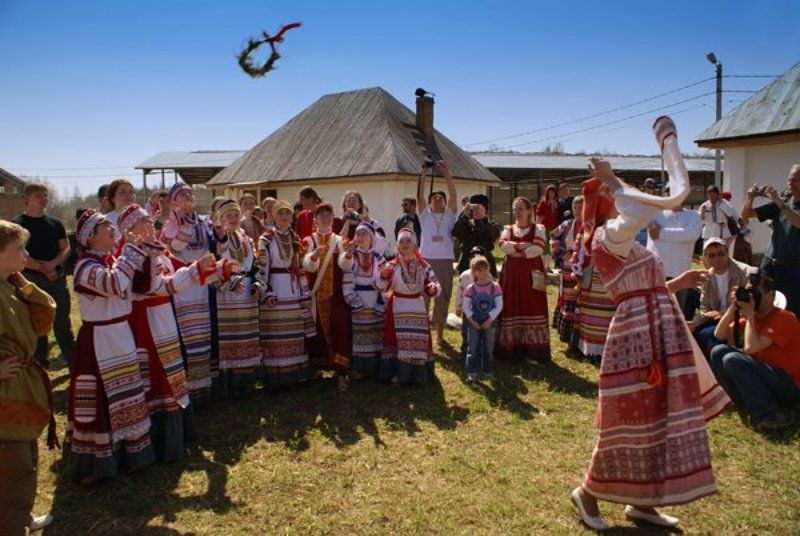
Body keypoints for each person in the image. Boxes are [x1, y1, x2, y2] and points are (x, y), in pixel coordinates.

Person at [571, 142, 725, 531]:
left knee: (658, 417)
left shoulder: (622, 238)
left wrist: (679, 282)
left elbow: (645, 286)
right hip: (636, 338)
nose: (619, 196)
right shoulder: (608, 237)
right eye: (611, 194)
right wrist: (609, 177)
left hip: (659, 328)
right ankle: (586, 493)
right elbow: (639, 211)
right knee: (630, 419)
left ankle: (643, 504)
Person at [119, 205, 223, 461]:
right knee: (156, 374)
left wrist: (212, 271)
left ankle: (175, 431)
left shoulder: (157, 252)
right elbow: (157, 287)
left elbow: (177, 273)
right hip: (146, 321)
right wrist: (195, 271)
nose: (150, 226)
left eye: (150, 222)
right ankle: (156, 439)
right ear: (130, 230)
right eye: (143, 223)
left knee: (170, 370)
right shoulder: (131, 255)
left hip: (163, 318)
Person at [66, 209, 155, 484]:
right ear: (90, 238)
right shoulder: (84, 268)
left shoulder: (111, 260)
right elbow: (115, 284)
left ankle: (131, 455)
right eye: (106, 228)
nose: (113, 230)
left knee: (126, 393)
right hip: (99, 340)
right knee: (101, 400)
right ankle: (96, 464)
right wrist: (130, 252)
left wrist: (147, 253)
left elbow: (141, 285)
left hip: (121, 335)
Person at [0, 220, 57, 534]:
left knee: (25, 461)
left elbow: (44, 318)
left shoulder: (10, 286)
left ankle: (19, 517)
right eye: (19, 248)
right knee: (13, 467)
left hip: (19, 388)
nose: (26, 254)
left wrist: (23, 283)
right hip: (4, 394)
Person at [711, 265, 800, 430]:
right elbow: (719, 334)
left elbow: (751, 348)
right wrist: (733, 308)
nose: (753, 298)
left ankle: (771, 414)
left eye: (756, 293)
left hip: (790, 386)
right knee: (718, 351)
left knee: (733, 359)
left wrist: (750, 314)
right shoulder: (756, 319)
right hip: (766, 376)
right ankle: (741, 402)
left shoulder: (785, 318)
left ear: (770, 295)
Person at [160, 181, 216, 399]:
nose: (187, 199)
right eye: (182, 196)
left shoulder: (203, 222)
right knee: (188, 334)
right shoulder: (171, 225)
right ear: (174, 201)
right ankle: (188, 387)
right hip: (183, 285)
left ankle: (205, 383)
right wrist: (183, 222)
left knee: (204, 331)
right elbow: (173, 249)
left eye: (189, 195)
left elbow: (210, 249)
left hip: (202, 284)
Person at [13, 184, 75, 371]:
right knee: (37, 326)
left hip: (56, 279)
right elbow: (17, 252)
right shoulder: (18, 225)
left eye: (45, 195)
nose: (43, 199)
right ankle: (40, 371)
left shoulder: (55, 223)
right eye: (38, 195)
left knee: (63, 324)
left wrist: (54, 264)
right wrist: (42, 268)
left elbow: (66, 248)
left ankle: (75, 366)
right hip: (32, 281)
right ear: (27, 199)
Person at [256, 201, 315, 387]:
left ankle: (294, 374)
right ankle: (275, 377)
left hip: (292, 289)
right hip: (275, 288)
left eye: (287, 213)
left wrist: (304, 292)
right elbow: (261, 268)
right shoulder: (266, 239)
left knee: (293, 332)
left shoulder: (295, 238)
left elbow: (298, 268)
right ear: (273, 215)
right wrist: (266, 291)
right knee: (275, 333)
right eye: (280, 213)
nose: (284, 217)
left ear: (291, 217)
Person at [377, 228, 441, 385]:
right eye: (401, 241)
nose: (405, 244)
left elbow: (434, 282)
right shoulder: (392, 264)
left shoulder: (423, 265)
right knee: (396, 340)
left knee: (418, 339)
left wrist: (433, 288)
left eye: (408, 241)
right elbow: (380, 285)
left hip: (416, 307)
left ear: (415, 245)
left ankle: (418, 375)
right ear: (397, 246)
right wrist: (382, 276)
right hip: (397, 306)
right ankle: (397, 374)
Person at [211, 200, 261, 394]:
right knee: (230, 336)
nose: (232, 219)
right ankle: (229, 382)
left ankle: (247, 380)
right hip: (227, 294)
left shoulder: (247, 239)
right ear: (220, 219)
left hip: (247, 293)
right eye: (228, 216)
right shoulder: (218, 240)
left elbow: (256, 265)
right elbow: (212, 266)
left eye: (235, 215)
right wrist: (229, 283)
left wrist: (257, 285)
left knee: (246, 335)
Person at [495, 197, 551, 364]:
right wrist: (524, 245)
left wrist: (517, 250)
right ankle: (512, 350)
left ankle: (533, 352)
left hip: (531, 274)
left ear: (529, 211)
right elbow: (503, 246)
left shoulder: (539, 228)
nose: (517, 212)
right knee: (512, 304)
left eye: (521, 209)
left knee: (532, 305)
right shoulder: (508, 228)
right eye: (515, 209)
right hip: (511, 274)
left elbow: (538, 249)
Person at [303, 202, 352, 389]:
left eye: (328, 214)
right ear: (316, 219)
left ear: (333, 217)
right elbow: (306, 264)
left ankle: (341, 371)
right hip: (315, 294)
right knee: (316, 331)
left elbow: (344, 264)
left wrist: (347, 255)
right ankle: (317, 366)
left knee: (339, 329)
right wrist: (313, 256)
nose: (325, 217)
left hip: (336, 293)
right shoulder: (309, 240)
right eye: (321, 214)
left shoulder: (339, 240)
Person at [741, 164, 800, 317]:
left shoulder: (782, 203)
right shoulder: (782, 202)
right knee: (760, 303)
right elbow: (746, 214)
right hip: (770, 264)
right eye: (790, 180)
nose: (791, 184)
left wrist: (778, 201)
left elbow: (797, 221)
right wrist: (750, 197)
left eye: (796, 180)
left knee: (791, 309)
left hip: (793, 268)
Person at [416, 160, 457, 345]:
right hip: (426, 260)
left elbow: (453, 193)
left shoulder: (449, 215)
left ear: (445, 202)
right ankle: (424, 335)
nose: (437, 199)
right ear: (430, 203)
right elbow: (419, 196)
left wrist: (446, 172)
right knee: (424, 298)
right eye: (434, 198)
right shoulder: (424, 215)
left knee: (443, 297)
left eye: (440, 197)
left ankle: (439, 336)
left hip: (445, 261)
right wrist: (423, 172)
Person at [341, 222, 386, 379]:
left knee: (376, 334)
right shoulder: (351, 257)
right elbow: (347, 280)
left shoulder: (379, 259)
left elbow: (385, 280)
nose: (360, 237)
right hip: (358, 302)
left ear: (371, 238)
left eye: (364, 234)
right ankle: (360, 369)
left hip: (375, 302)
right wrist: (352, 299)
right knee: (360, 336)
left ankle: (376, 369)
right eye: (357, 234)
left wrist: (381, 291)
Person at [692, 237, 751, 356]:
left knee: (708, 336)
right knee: (695, 333)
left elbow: (750, 306)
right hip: (717, 319)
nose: (717, 258)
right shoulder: (708, 276)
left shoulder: (744, 273)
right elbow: (704, 307)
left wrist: (723, 314)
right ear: (706, 258)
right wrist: (693, 323)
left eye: (721, 254)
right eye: (712, 255)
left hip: (739, 319)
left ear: (727, 253)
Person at [646, 205, 703, 319]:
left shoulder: (694, 215)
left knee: (679, 316)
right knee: (655, 314)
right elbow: (652, 233)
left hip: (681, 274)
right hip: (656, 274)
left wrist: (661, 232)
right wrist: (681, 233)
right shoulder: (654, 213)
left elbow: (692, 234)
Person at [463, 255, 503, 382]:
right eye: (479, 270)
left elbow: (499, 305)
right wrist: (473, 321)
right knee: (473, 347)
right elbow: (466, 307)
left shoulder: (495, 287)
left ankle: (488, 371)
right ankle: (472, 371)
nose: (483, 271)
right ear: (474, 273)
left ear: (489, 268)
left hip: (489, 323)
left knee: (489, 347)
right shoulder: (471, 288)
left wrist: (489, 320)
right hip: (474, 323)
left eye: (485, 268)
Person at [551, 196, 583, 342]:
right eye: (575, 208)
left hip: (583, 267)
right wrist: (561, 252)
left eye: (580, 208)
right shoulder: (567, 224)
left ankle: (579, 336)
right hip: (567, 266)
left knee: (580, 299)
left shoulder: (591, 225)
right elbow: (553, 236)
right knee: (568, 298)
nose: (577, 211)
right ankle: (567, 334)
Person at [455, 246, 489, 363]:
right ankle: (465, 353)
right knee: (466, 333)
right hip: (468, 311)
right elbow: (460, 293)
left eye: (479, 256)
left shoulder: (489, 277)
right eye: (473, 256)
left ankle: (480, 354)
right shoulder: (464, 275)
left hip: (483, 311)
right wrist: (458, 307)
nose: (476, 259)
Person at [452, 194, 500, 277]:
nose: (476, 210)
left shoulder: (491, 224)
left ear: (486, 210)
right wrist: (464, 215)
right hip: (466, 263)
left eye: (479, 208)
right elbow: (456, 232)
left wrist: (483, 219)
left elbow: (494, 235)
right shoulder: (466, 222)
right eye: (474, 208)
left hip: (486, 263)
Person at [105, 178, 137, 242]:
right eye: (123, 192)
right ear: (112, 198)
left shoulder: (143, 216)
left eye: (131, 191)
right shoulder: (106, 220)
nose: (128, 195)